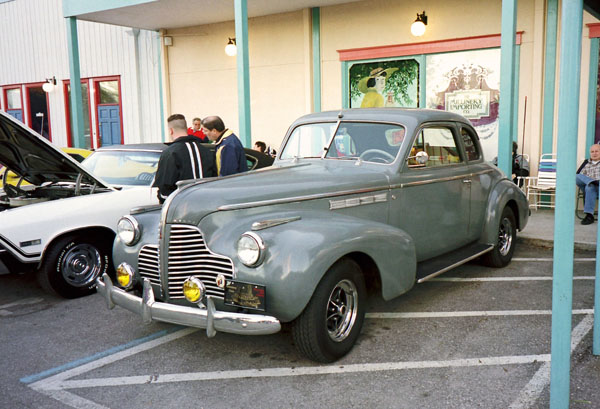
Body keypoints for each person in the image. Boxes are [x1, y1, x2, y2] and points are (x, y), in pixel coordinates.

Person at [153, 114, 216, 203]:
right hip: (207, 205)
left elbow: (165, 188)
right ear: (186, 128)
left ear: (171, 131)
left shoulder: (170, 153)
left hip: (182, 208)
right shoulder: (206, 151)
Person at [576, 144, 600, 225]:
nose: (594, 153)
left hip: (598, 187)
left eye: (596, 151)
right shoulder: (586, 162)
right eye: (592, 152)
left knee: (589, 188)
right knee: (576, 176)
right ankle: (591, 182)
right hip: (588, 185)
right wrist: (590, 181)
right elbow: (579, 175)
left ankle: (589, 216)